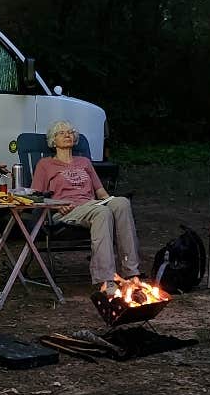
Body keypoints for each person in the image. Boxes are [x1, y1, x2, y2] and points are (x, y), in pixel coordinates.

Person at [29, 119, 142, 292]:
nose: (67, 135)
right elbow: (35, 196)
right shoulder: (45, 165)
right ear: (53, 140)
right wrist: (55, 206)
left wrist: (112, 201)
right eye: (61, 133)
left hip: (92, 204)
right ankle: (106, 279)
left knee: (122, 203)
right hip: (67, 210)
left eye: (70, 132)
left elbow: (101, 192)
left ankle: (131, 273)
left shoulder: (84, 162)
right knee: (102, 212)